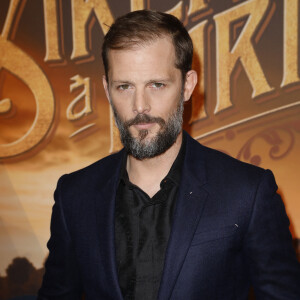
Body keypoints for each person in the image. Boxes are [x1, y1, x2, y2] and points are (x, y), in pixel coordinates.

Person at [38, 10, 300, 300]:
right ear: (107, 90)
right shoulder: (74, 195)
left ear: (187, 85)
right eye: (124, 86)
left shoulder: (247, 192)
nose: (140, 106)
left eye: (157, 85)